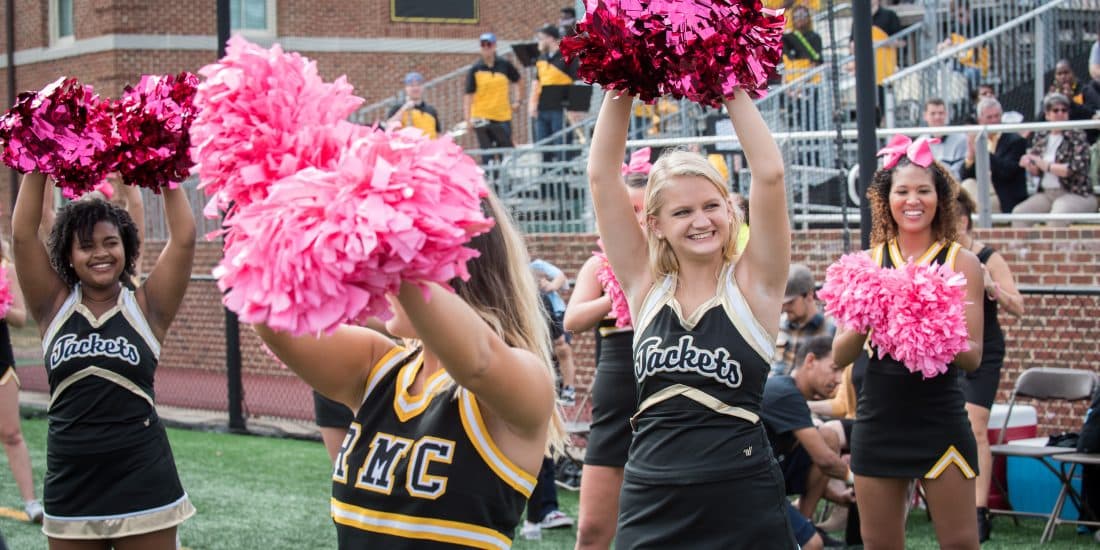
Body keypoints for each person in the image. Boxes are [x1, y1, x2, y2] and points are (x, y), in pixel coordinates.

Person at [256, 192, 561, 549]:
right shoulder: (378, 366)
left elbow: (476, 362)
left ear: (448, 266)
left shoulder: (524, 376)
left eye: (402, 252)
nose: (384, 278)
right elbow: (269, 314)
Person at [589, 83, 796, 547]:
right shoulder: (645, 284)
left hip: (740, 494)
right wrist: (624, 75)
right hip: (651, 492)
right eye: (682, 211)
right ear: (655, 224)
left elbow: (770, 175)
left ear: (731, 209)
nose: (700, 221)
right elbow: (603, 177)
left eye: (711, 206)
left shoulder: (755, 284)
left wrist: (730, 81)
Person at [13, 171, 197, 547]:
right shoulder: (52, 306)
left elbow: (184, 238)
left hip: (143, 477)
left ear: (126, 247)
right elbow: (22, 234)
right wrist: (36, 159)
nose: (100, 253)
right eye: (86, 245)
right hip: (71, 482)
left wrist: (168, 169)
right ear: (69, 254)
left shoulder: (147, 307)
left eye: (110, 242)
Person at [832, 135, 985, 550]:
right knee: (879, 543)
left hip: (940, 419)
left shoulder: (962, 262)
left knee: (960, 543)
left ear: (940, 197)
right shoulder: (869, 263)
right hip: (879, 421)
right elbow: (838, 355)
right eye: (902, 191)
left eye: (923, 190)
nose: (912, 200)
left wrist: (931, 323)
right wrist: (870, 317)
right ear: (886, 199)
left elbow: (972, 358)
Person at [562, 156, 649, 550]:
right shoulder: (598, 265)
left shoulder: (683, 260)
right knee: (592, 532)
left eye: (644, 211)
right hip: (616, 387)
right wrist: (615, 298)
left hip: (670, 387)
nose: (636, 220)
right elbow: (572, 320)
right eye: (628, 210)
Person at [954, 187, 1024, 543]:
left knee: (976, 426)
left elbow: (1018, 307)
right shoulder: (940, 255)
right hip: (948, 348)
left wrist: (990, 285)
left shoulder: (987, 256)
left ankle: (980, 510)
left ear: (962, 221)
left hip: (985, 349)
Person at [761, 335, 852, 550]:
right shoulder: (784, 392)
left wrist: (838, 496)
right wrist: (857, 481)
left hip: (771, 478)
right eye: (834, 368)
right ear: (810, 361)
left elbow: (818, 464)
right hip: (751, 488)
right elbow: (825, 460)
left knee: (828, 436)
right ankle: (798, 537)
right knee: (813, 544)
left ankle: (803, 523)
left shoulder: (791, 392)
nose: (839, 379)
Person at [521, 292, 577, 540]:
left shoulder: (489, 288)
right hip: (538, 379)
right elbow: (562, 347)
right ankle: (534, 521)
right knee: (540, 451)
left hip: (498, 373)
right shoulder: (539, 298)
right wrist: (569, 387)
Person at [0, 239, 43, 523]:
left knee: (11, 433)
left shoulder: (7, 269)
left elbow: (20, 318)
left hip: (1, 362)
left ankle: (31, 502)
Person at [1014, 93, 1096, 227]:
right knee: (1019, 214)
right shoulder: (1041, 136)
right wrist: (1029, 164)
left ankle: (1053, 248)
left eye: (1064, 110)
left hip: (1076, 193)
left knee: (1056, 218)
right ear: (1047, 115)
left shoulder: (1077, 136)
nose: (1060, 113)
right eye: (1055, 110)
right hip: (1047, 193)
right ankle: (1022, 248)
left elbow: (1070, 170)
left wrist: (1042, 164)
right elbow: (1036, 171)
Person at [961, 97, 1028, 214]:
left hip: (1001, 194)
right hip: (981, 190)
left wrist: (982, 152)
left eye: (997, 116)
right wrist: (971, 155)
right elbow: (965, 175)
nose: (994, 121)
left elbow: (1006, 172)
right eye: (989, 117)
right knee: (966, 185)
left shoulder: (1015, 140)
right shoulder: (978, 138)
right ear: (980, 120)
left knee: (976, 207)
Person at [464, 33, 522, 165]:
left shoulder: (504, 65)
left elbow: (518, 80)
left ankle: (505, 181)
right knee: (487, 154)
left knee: (505, 152)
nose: (486, 48)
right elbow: (468, 95)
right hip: (482, 116)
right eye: (483, 45)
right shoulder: (475, 69)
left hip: (502, 116)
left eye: (488, 44)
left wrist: (518, 100)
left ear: (495, 46)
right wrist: (468, 120)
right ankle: (491, 181)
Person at [773, 263, 835, 376]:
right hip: (774, 390)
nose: (785, 308)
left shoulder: (829, 329)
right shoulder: (778, 325)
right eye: (783, 303)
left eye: (790, 303)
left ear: (809, 296)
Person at [530, 258, 578, 406]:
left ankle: (569, 390)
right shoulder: (512, 267)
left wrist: (549, 286)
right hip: (535, 315)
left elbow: (560, 277)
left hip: (555, 312)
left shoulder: (537, 266)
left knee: (562, 349)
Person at [529, 24, 576, 165]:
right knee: (543, 145)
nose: (539, 41)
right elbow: (536, 83)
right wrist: (532, 104)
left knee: (561, 146)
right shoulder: (541, 58)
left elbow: (577, 82)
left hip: (560, 108)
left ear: (550, 38)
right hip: (542, 108)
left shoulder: (567, 57)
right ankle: (545, 182)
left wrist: (575, 108)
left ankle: (564, 180)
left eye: (541, 38)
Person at [921, 98, 968, 180]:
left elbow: (959, 173)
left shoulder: (961, 139)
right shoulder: (920, 142)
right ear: (925, 116)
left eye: (941, 113)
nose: (937, 117)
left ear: (946, 114)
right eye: (933, 113)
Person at [385, 72, 442, 139]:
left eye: (418, 85)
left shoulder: (431, 110)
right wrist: (404, 108)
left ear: (422, 87)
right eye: (411, 85)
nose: (415, 88)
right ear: (406, 88)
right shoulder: (397, 108)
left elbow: (438, 133)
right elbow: (389, 126)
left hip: (430, 147)